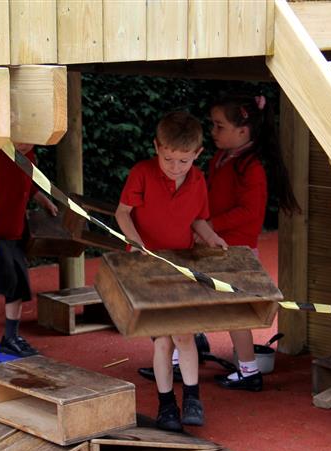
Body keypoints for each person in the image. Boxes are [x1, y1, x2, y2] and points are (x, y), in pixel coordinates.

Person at [115, 110, 227, 431]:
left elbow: (198, 219)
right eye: (168, 159)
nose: (175, 168)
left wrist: (212, 237)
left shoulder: (198, 181)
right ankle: (166, 404)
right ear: (157, 148)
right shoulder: (142, 173)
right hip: (148, 266)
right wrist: (136, 243)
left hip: (181, 265)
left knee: (184, 334)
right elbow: (123, 213)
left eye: (183, 161)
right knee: (163, 339)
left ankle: (192, 398)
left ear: (197, 155)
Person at [205, 94, 300, 392]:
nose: (213, 131)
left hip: (237, 252)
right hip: (218, 247)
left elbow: (250, 213)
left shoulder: (251, 168)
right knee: (211, 306)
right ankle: (186, 356)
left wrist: (209, 225)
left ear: (243, 131)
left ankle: (248, 371)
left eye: (219, 126)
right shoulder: (221, 158)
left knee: (236, 313)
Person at [0, 143, 58, 357]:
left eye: (30, 141)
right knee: (3, 282)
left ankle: (11, 337)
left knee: (19, 284)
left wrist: (44, 201)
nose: (25, 145)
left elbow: (29, 185)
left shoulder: (29, 155)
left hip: (14, 231)